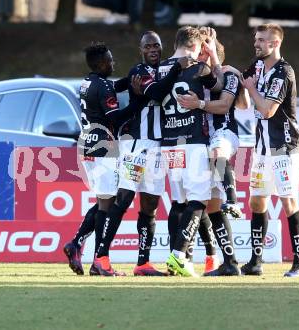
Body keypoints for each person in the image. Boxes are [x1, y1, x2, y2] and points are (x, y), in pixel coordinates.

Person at [92, 32, 195, 276]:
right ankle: (101, 258)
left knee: (150, 204)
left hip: (159, 147)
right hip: (138, 145)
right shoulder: (139, 71)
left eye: (157, 45)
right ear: (141, 50)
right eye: (148, 46)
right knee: (124, 199)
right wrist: (175, 70)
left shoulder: (165, 70)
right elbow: (157, 93)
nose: (153, 49)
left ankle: (142, 263)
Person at [177, 28, 249, 276]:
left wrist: (198, 103)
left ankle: (234, 200)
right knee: (212, 208)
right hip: (202, 142)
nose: (200, 59)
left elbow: (230, 104)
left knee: (218, 152)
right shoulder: (196, 74)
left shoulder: (227, 74)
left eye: (205, 54)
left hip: (224, 133)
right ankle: (230, 263)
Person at [152, 26, 220, 277]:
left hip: (169, 142)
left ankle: (176, 258)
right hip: (192, 140)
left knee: (179, 202)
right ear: (195, 46)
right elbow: (219, 86)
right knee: (199, 199)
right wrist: (212, 56)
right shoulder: (198, 67)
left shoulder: (158, 68)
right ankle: (180, 254)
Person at [240, 23, 299, 277]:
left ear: (275, 43)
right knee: (256, 201)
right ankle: (256, 262)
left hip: (284, 148)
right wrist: (246, 89)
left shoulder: (283, 72)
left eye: (262, 40)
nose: (256, 44)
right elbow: (246, 103)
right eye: (256, 39)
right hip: (262, 149)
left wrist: (252, 89)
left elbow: (267, 110)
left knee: (289, 202)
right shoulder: (257, 67)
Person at [63, 42, 131, 276]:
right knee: (107, 204)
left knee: (106, 200)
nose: (113, 63)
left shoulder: (87, 82)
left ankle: (77, 244)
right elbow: (115, 117)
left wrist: (128, 81)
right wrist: (137, 103)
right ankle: (99, 262)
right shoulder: (103, 87)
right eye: (110, 60)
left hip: (89, 145)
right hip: (105, 146)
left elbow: (109, 88)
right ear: (102, 64)